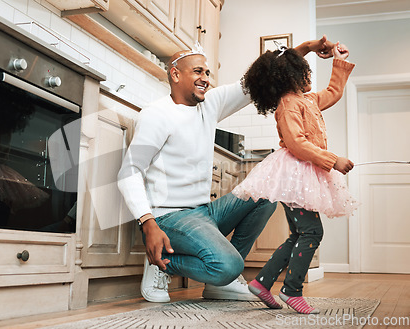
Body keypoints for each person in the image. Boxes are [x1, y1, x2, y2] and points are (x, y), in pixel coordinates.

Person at [117, 37, 337, 303]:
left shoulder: (210, 104)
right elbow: (129, 172)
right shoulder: (157, 114)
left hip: (204, 212)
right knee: (229, 265)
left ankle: (220, 283)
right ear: (175, 74)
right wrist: (148, 223)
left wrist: (307, 48)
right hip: (169, 218)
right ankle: (163, 263)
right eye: (197, 71)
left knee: (265, 193)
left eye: (207, 72)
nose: (205, 78)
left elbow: (260, 76)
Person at [232, 42, 359, 314]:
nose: (310, 77)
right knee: (312, 232)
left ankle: (262, 282)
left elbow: (334, 92)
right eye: (305, 72)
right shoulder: (288, 104)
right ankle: (291, 290)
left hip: (303, 174)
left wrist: (339, 62)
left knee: (301, 233)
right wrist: (332, 160)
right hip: (294, 174)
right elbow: (296, 143)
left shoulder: (309, 100)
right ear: (290, 77)